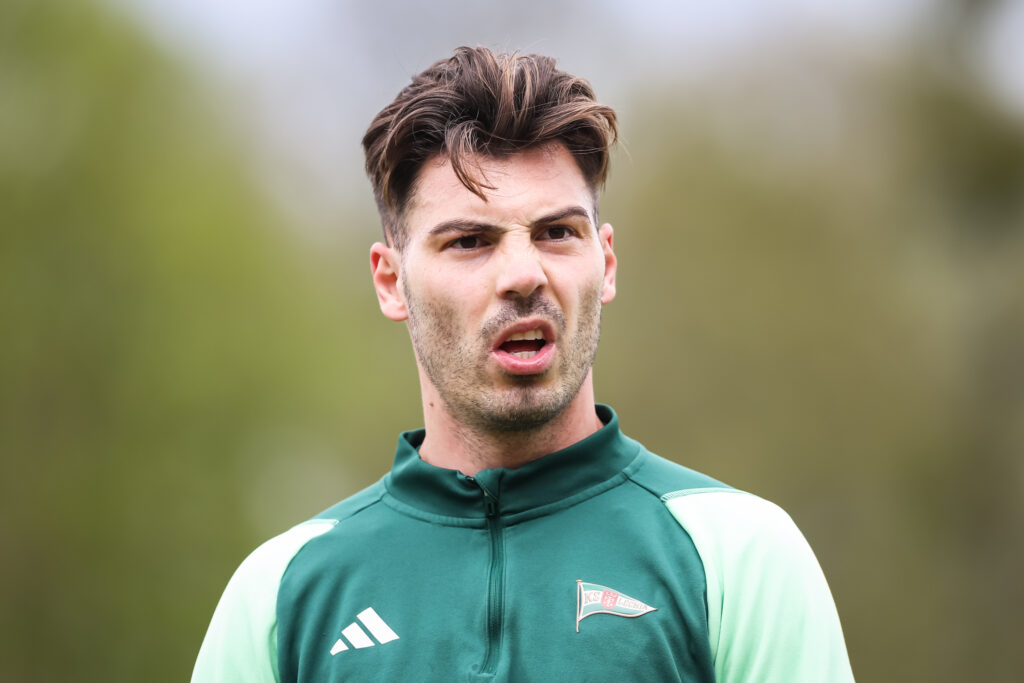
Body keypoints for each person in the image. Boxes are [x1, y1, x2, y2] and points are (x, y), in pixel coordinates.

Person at [191, 46, 854, 682]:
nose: (522, 274)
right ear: (391, 281)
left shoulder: (741, 557)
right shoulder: (280, 595)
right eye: (470, 241)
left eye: (557, 233)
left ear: (607, 262)